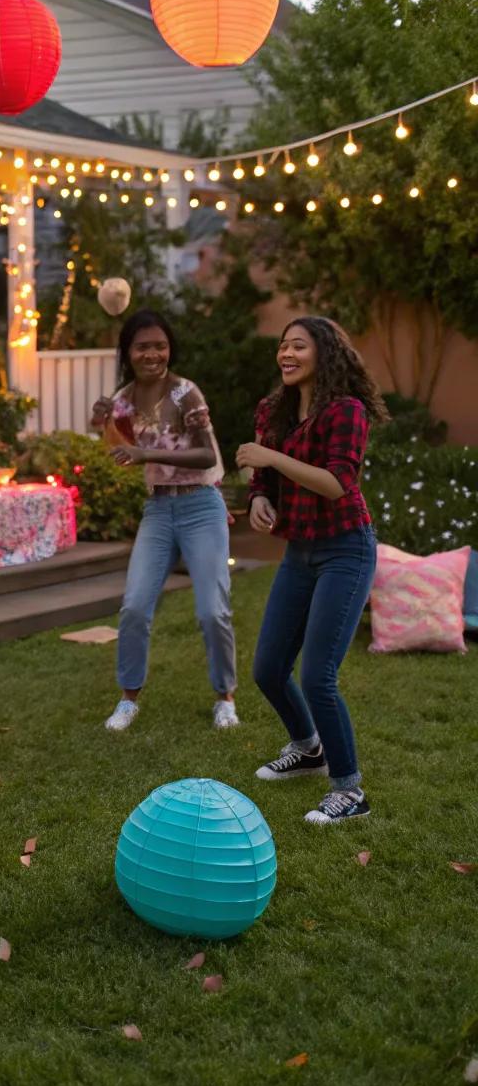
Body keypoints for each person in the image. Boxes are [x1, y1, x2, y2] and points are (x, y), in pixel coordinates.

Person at [236, 315, 386, 825]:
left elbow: (337, 483)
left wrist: (272, 458)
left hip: (346, 550)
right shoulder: (273, 410)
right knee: (267, 669)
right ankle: (308, 749)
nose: (286, 353)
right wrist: (259, 497)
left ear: (324, 353)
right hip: (300, 552)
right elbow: (262, 477)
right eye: (282, 345)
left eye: (298, 345)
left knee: (318, 675)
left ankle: (349, 790)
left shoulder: (347, 411)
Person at [91, 308, 237, 734]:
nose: (152, 353)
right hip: (158, 509)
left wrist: (147, 454)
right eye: (142, 346)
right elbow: (116, 450)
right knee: (135, 606)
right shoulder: (124, 398)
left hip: (200, 506)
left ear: (169, 348)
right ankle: (128, 698)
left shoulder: (185, 394)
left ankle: (225, 698)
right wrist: (102, 419)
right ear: (128, 352)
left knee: (213, 610)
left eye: (160, 344)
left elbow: (208, 454)